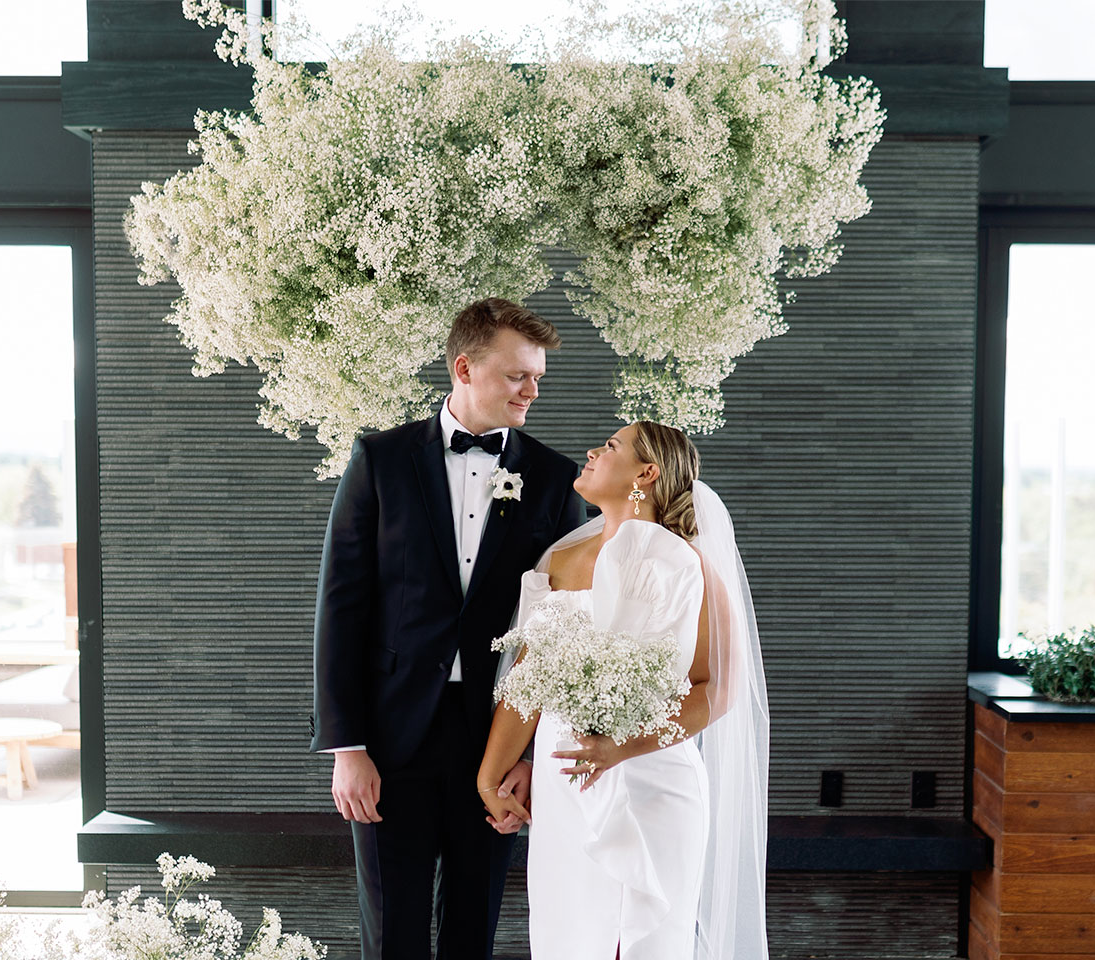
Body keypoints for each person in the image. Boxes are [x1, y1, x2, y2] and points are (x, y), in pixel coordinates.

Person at [310, 297, 588, 960]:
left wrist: (527, 757)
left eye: (538, 377)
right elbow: (340, 606)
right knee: (393, 934)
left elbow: (567, 628)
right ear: (464, 367)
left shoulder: (551, 478)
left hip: (494, 740)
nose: (532, 390)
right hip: (388, 738)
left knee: (473, 928)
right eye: (518, 375)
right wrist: (347, 748)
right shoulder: (379, 460)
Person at [476, 421, 771, 960]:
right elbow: (529, 678)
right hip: (565, 784)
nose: (591, 451)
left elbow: (717, 688)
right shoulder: (561, 562)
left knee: (642, 943)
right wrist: (492, 775)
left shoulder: (690, 566)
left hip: (652, 780)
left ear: (646, 473)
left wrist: (622, 747)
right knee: (570, 938)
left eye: (610, 446)